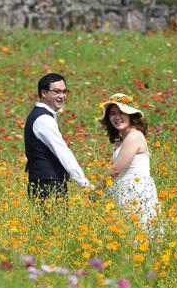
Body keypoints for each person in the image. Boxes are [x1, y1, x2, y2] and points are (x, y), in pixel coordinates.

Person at [94, 93, 162, 235]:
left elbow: (116, 169)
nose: (116, 117)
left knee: (138, 233)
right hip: (126, 190)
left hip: (135, 192)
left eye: (121, 112)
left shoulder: (133, 136)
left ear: (131, 115)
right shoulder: (125, 138)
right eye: (112, 113)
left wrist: (96, 192)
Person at [24, 73, 91, 205]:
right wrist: (84, 183)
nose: (62, 96)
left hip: (43, 182)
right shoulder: (43, 119)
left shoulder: (42, 115)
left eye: (64, 91)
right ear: (44, 93)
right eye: (56, 91)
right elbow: (62, 152)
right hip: (48, 184)